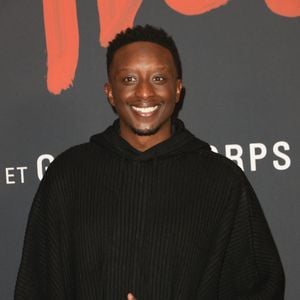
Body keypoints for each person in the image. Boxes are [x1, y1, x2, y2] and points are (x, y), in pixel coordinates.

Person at [15, 25, 285, 300]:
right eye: (129, 79)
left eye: (158, 78)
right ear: (110, 92)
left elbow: (259, 289)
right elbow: (36, 287)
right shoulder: (69, 176)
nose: (145, 93)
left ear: (177, 89)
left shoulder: (221, 181)